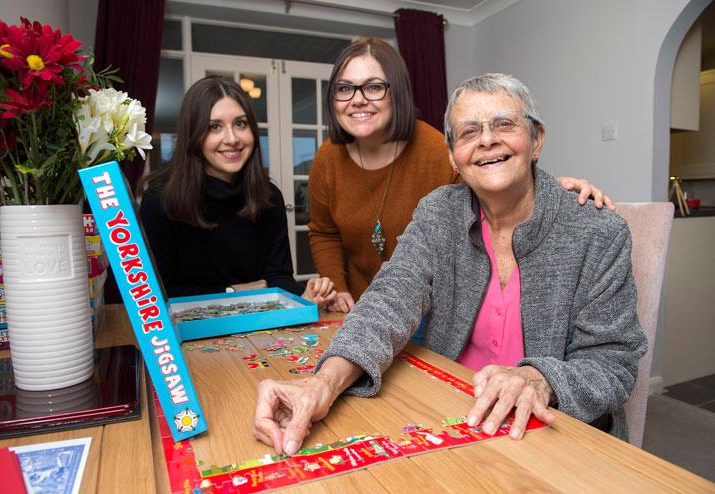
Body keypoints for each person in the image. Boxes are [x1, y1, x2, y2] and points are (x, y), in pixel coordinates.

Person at [253, 73, 646, 456]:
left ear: (536, 139)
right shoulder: (440, 211)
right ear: (453, 157)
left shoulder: (597, 232)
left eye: (504, 124)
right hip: (453, 416)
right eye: (469, 132)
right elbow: (390, 298)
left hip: (557, 437)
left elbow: (613, 362)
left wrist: (540, 379)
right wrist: (322, 384)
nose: (487, 140)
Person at [309, 37, 614, 314]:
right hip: (356, 310)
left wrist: (550, 192)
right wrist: (338, 287)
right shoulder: (326, 158)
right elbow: (324, 232)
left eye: (374, 87)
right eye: (344, 88)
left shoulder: (438, 150)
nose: (358, 99)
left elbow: (490, 196)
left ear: (397, 92)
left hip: (434, 313)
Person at [139, 76, 335, 304]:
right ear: (193, 135)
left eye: (240, 124)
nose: (232, 139)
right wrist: (231, 292)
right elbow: (156, 296)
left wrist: (305, 295)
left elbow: (278, 279)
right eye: (214, 127)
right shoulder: (159, 201)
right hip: (187, 333)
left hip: (262, 331)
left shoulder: (269, 197)